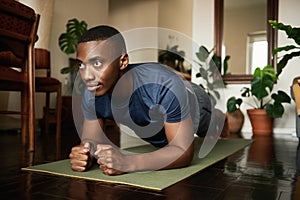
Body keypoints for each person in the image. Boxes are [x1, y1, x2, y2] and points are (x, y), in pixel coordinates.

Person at [69, 25, 218, 175]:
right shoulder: (92, 91)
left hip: (194, 101)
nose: (87, 76)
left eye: (97, 63)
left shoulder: (165, 85)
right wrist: (84, 154)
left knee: (211, 127)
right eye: (81, 64)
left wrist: (127, 163)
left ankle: (218, 116)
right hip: (159, 124)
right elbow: (91, 141)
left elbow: (182, 152)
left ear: (123, 61)